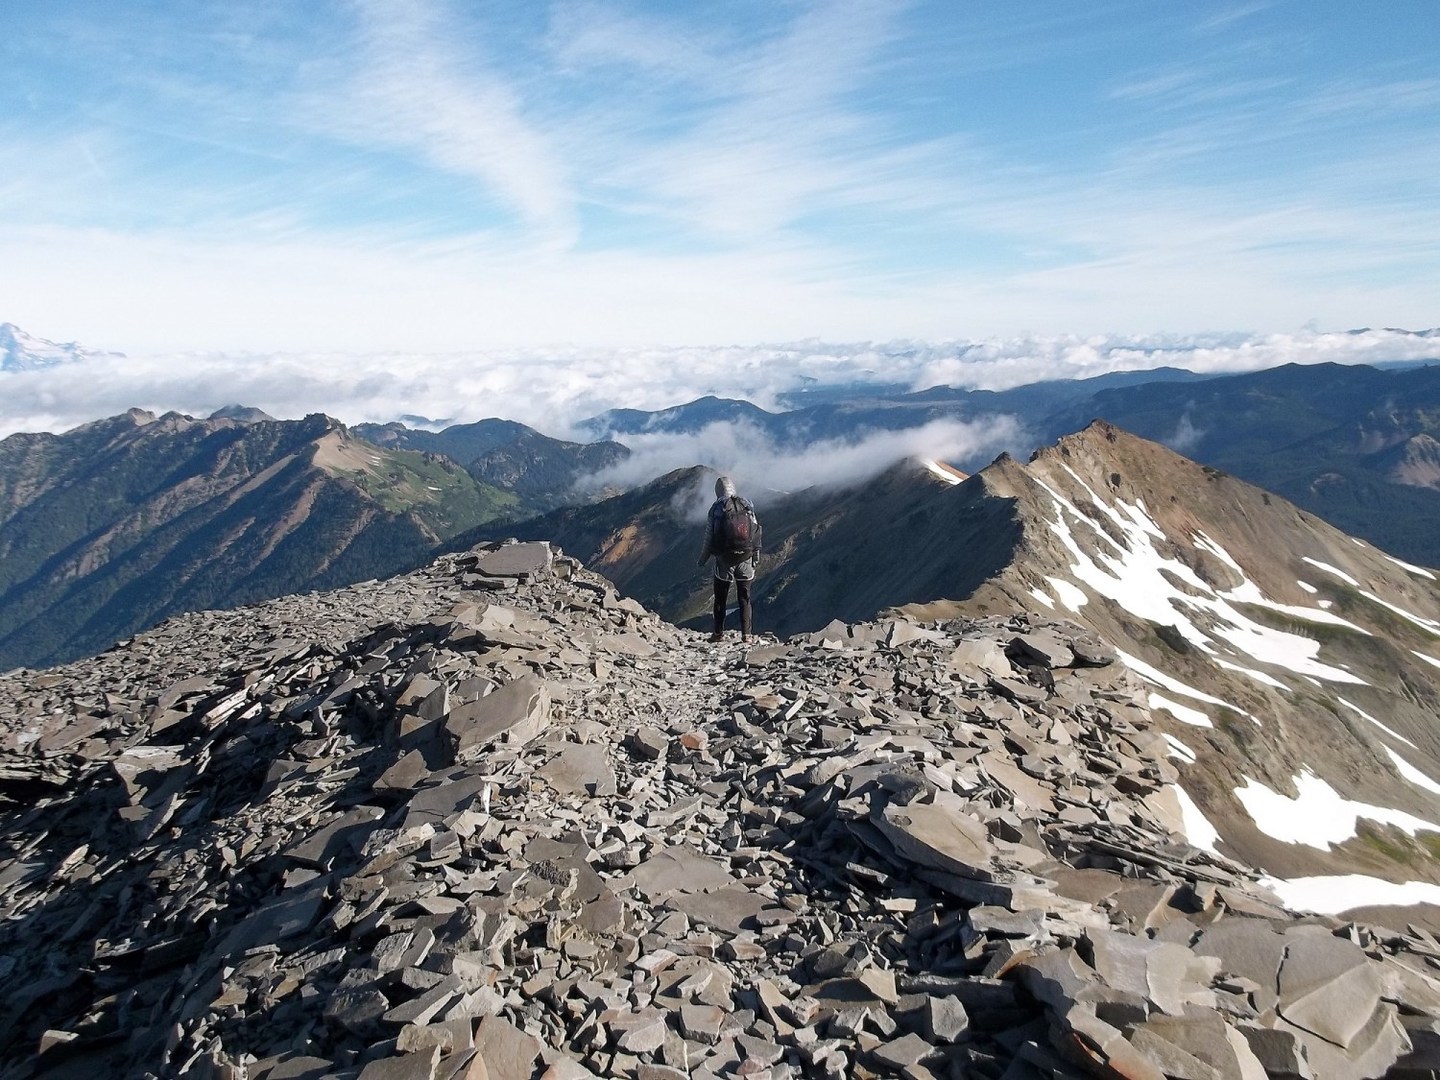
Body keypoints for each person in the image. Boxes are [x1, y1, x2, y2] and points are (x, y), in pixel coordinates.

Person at [698, 475, 762, 642]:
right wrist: (755, 557)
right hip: (746, 557)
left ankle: (718, 634)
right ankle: (747, 635)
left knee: (721, 597)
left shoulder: (717, 508)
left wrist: (703, 560)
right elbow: (756, 532)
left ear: (718, 491)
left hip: (724, 560)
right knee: (745, 597)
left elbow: (709, 538)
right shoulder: (747, 505)